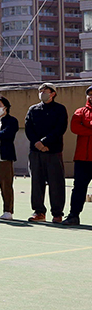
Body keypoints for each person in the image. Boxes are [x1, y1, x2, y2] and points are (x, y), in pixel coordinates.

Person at [24, 82, 68, 223]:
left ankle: (57, 213)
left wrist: (44, 142)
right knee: (37, 182)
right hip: (35, 152)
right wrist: (37, 143)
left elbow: (60, 129)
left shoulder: (60, 109)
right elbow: (28, 128)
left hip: (53, 151)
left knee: (56, 183)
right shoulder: (33, 109)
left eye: (45, 90)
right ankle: (39, 212)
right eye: (40, 90)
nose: (42, 92)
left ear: (53, 93)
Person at [64, 85, 92, 226]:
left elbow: (82, 127)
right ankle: (73, 216)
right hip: (82, 158)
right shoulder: (80, 111)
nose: (91, 96)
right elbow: (75, 128)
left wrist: (86, 126)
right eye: (90, 94)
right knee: (79, 188)